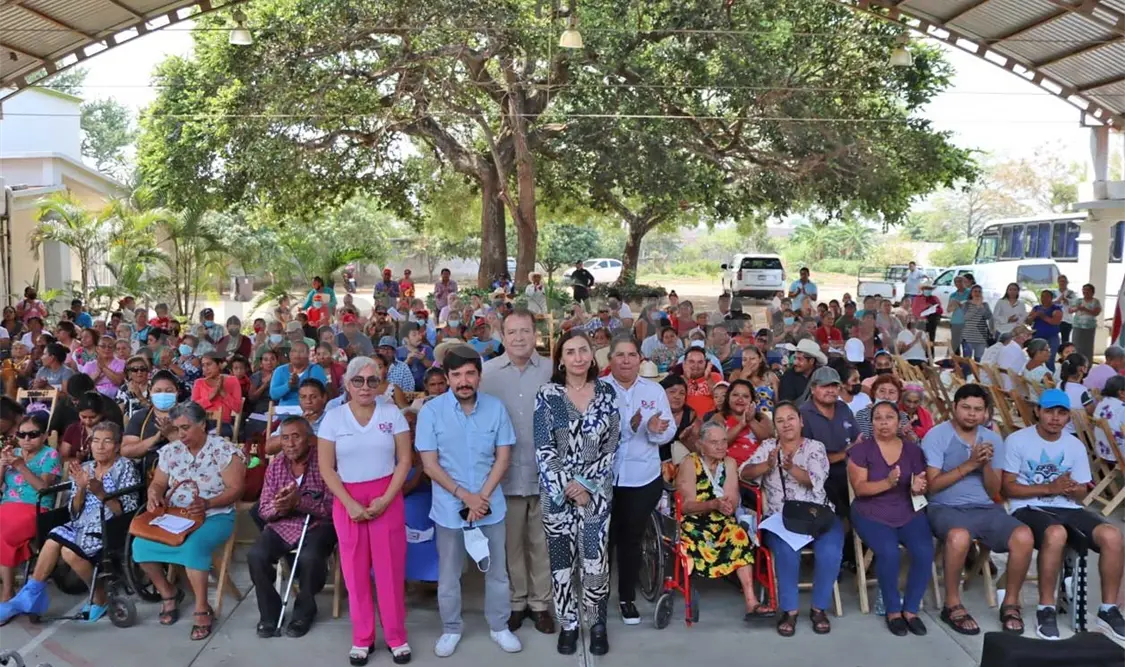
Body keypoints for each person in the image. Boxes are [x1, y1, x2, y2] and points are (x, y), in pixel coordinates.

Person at [415, 345, 521, 657]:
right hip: (450, 509)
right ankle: (451, 628)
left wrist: (481, 498)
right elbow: (430, 465)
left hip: (490, 507)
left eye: (470, 374)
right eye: (457, 374)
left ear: (479, 376)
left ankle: (499, 626)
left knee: (498, 572)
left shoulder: (495, 408)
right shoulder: (431, 412)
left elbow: (503, 458)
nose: (464, 381)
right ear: (447, 377)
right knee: (449, 575)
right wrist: (466, 497)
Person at [1000, 388, 1125, 640]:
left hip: (1067, 506)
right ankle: (1046, 607)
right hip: (1027, 506)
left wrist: (1073, 489)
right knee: (1055, 533)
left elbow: (1080, 493)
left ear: (1068, 416)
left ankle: (1108, 610)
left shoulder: (1074, 445)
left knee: (1112, 535)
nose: (1055, 418)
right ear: (1038, 411)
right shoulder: (1018, 440)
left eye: (1062, 413)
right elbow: (1007, 488)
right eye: (1049, 411)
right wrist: (1050, 488)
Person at [318, 358, 413, 664]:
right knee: (355, 572)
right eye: (358, 381)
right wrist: (349, 503)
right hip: (348, 499)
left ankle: (396, 636)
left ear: (380, 384)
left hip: (387, 496)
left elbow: (405, 460)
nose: (365, 387)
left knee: (390, 571)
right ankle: (362, 638)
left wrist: (386, 499)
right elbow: (326, 467)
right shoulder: (334, 418)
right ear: (347, 384)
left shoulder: (392, 413)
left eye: (372, 381)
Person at [533, 330, 620, 655]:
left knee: (595, 563)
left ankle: (597, 624)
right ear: (560, 359)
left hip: (596, 495)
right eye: (570, 352)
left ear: (592, 355)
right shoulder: (548, 394)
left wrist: (586, 484)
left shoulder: (607, 392)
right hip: (557, 496)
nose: (578, 357)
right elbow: (543, 448)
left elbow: (612, 444)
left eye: (583, 350)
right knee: (561, 565)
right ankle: (568, 624)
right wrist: (569, 487)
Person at [921, 384, 1033, 635]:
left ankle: (1010, 603)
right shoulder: (937, 436)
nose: (972, 414)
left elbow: (994, 491)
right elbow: (933, 486)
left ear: (986, 413)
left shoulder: (992, 439)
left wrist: (986, 465)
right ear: (954, 407)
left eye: (978, 409)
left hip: (984, 507)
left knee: (1024, 536)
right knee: (959, 537)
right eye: (966, 408)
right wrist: (970, 464)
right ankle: (952, 604)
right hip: (945, 507)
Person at [0, 421, 139, 623]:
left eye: (107, 441)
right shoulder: (85, 468)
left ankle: (99, 597)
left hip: (110, 526)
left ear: (117, 445)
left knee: (68, 551)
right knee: (52, 539)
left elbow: (126, 511)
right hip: (81, 524)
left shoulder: (125, 467)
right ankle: (30, 594)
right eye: (96, 441)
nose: (100, 447)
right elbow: (74, 511)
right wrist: (81, 488)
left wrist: (100, 492)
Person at [132, 401, 246, 641]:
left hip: (215, 514)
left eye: (186, 428)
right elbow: (159, 483)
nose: (181, 434)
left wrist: (208, 503)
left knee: (194, 546)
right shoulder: (171, 451)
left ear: (202, 424)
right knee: (140, 546)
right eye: (176, 429)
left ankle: (202, 607)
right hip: (175, 515)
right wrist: (154, 494)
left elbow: (236, 489)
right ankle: (168, 593)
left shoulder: (223, 450)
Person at [479, 309, 555, 636]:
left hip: (546, 475)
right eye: (512, 332)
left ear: (535, 334)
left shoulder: (553, 370)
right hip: (505, 477)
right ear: (502, 336)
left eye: (525, 331)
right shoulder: (487, 374)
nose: (519, 338)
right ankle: (516, 602)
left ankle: (540, 604)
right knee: (510, 546)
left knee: (542, 544)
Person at [742, 401, 843, 636]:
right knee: (786, 552)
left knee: (830, 552)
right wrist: (766, 465)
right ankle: (790, 611)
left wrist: (790, 468)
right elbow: (744, 473)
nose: (786, 424)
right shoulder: (768, 446)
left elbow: (815, 480)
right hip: (781, 516)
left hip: (818, 513)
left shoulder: (815, 447)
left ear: (801, 421)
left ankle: (819, 609)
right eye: (780, 420)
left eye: (791, 418)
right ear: (775, 426)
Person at [602, 335, 674, 625]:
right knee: (603, 540)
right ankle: (597, 597)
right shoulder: (600, 389)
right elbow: (594, 433)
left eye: (632, 355)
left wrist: (656, 429)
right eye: (620, 355)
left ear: (640, 359)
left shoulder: (654, 390)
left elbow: (668, 431)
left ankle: (626, 598)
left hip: (642, 478)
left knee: (631, 540)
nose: (626, 361)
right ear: (610, 359)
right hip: (605, 477)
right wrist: (630, 428)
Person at [848, 400, 933, 636]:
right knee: (889, 553)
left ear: (898, 421)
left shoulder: (913, 450)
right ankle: (893, 610)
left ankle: (911, 610)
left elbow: (921, 483)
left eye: (889, 417)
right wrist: (887, 483)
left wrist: (918, 488)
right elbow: (860, 489)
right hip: (870, 511)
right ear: (871, 423)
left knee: (925, 552)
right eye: (878, 418)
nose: (884, 423)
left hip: (907, 508)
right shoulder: (861, 451)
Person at [678, 422, 773, 620]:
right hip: (694, 520)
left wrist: (728, 506)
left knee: (739, 535)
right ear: (701, 444)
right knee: (697, 537)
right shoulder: (690, 463)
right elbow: (686, 506)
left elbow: (732, 498)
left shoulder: (729, 463)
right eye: (714, 442)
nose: (721, 446)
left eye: (723, 441)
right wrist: (712, 504)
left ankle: (751, 602)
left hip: (722, 519)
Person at [0, 412, 60, 603]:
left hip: (34, 508)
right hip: (7, 506)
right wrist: (2, 465)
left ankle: (7, 590)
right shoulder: (14, 453)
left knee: (4, 534)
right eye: (21, 434)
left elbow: (43, 488)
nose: (26, 439)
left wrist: (21, 467)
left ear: (44, 436)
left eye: (33, 434)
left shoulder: (50, 455)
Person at [121, 371, 181, 460]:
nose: (163, 394)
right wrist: (155, 438)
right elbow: (126, 451)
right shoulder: (140, 416)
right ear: (150, 391)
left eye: (169, 391)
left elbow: (198, 449)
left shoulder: (189, 415)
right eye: (158, 391)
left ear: (177, 392)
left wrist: (171, 435)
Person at [715, 379, 773, 466]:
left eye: (745, 396)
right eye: (735, 395)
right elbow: (719, 444)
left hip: (758, 466)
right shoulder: (720, 417)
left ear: (752, 401)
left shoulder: (761, 417)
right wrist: (741, 425)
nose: (740, 399)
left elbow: (769, 442)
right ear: (728, 398)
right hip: (727, 467)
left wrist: (751, 421)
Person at [191, 351, 243, 425]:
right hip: (201, 423)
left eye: (208, 364)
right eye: (203, 365)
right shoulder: (198, 382)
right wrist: (210, 397)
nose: (205, 368)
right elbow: (193, 408)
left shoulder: (232, 380)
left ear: (219, 365)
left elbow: (237, 408)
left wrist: (223, 393)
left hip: (222, 424)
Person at [270, 341, 327, 407]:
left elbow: (319, 393)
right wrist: (288, 385)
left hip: (309, 408)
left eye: (301, 351)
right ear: (289, 354)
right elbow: (273, 395)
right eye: (294, 351)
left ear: (308, 354)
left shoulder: (316, 369)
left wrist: (298, 384)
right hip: (284, 410)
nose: (297, 354)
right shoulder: (280, 370)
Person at [661, 375, 700, 464]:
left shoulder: (690, 415)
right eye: (672, 392)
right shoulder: (653, 413)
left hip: (683, 464)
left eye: (682, 393)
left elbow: (699, 452)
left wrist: (685, 440)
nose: (677, 396)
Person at [778, 339, 825, 403]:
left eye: (800, 359)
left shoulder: (821, 375)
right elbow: (786, 403)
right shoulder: (788, 377)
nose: (795, 362)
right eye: (795, 358)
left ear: (811, 361)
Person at [1028, 290, 1064, 371]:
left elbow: (1055, 322)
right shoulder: (1036, 308)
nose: (1044, 298)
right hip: (1037, 337)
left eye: (1046, 296)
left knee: (1049, 360)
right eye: (1042, 296)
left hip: (1052, 337)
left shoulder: (1056, 309)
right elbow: (1027, 321)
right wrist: (1034, 316)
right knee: (1035, 359)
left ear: (1051, 298)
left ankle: (1049, 376)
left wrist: (1043, 316)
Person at [681, 346, 722, 416]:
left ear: (705, 363)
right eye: (691, 362)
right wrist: (686, 379)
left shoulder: (715, 376)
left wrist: (708, 379)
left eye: (700, 362)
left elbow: (721, 399)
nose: (696, 366)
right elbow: (677, 401)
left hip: (711, 419)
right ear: (684, 363)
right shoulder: (678, 380)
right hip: (688, 420)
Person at [1094, 375, 1125, 462]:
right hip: (1119, 455)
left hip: (1103, 451)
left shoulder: (1102, 403)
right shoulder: (1122, 408)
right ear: (1121, 393)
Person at [960, 286, 994, 362]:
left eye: (979, 291)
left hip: (981, 337)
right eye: (975, 291)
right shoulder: (966, 304)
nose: (977, 293)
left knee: (979, 361)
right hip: (967, 336)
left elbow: (988, 316)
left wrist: (981, 307)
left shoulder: (985, 305)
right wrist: (976, 307)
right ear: (971, 293)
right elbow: (965, 318)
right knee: (967, 361)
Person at [397, 324, 434, 390]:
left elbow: (435, 368)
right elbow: (396, 374)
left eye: (419, 334)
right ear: (406, 339)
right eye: (414, 335)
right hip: (405, 389)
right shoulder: (398, 351)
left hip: (425, 388)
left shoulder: (427, 349)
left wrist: (424, 360)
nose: (419, 337)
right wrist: (407, 362)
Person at [1071, 283, 1101, 360]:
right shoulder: (1079, 300)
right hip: (1078, 326)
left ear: (1092, 292)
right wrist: (1077, 308)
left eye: (1088, 290)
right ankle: (1076, 363)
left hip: (1089, 327)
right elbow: (1070, 310)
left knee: (1088, 346)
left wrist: (1085, 309)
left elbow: (1096, 313)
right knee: (1076, 345)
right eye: (1084, 290)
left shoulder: (1096, 301)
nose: (1085, 291)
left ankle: (1087, 364)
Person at [948, 276, 971, 356]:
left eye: (960, 281)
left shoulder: (970, 293)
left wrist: (959, 304)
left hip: (966, 323)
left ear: (964, 282)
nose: (958, 283)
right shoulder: (953, 295)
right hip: (955, 322)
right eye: (956, 282)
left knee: (966, 346)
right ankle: (957, 362)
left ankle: (967, 362)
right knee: (956, 346)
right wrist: (954, 306)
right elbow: (949, 309)